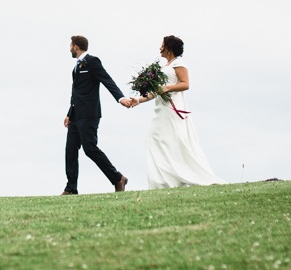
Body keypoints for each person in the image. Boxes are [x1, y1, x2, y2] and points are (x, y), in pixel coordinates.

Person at [129, 35, 225, 188]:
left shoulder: (179, 63)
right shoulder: (164, 66)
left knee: (171, 139)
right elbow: (156, 91)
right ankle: (162, 181)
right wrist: (138, 100)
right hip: (161, 108)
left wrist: (167, 88)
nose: (159, 48)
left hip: (172, 107)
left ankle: (175, 178)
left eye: (162, 45)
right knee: (155, 137)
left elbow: (185, 84)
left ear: (169, 48)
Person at [63, 35, 131, 195]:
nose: (69, 48)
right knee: (70, 150)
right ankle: (71, 188)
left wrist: (120, 98)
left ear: (76, 46)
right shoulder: (76, 67)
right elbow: (76, 92)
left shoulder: (93, 62)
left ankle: (118, 178)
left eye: (70, 45)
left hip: (89, 114)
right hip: (75, 115)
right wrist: (69, 113)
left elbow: (107, 80)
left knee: (90, 148)